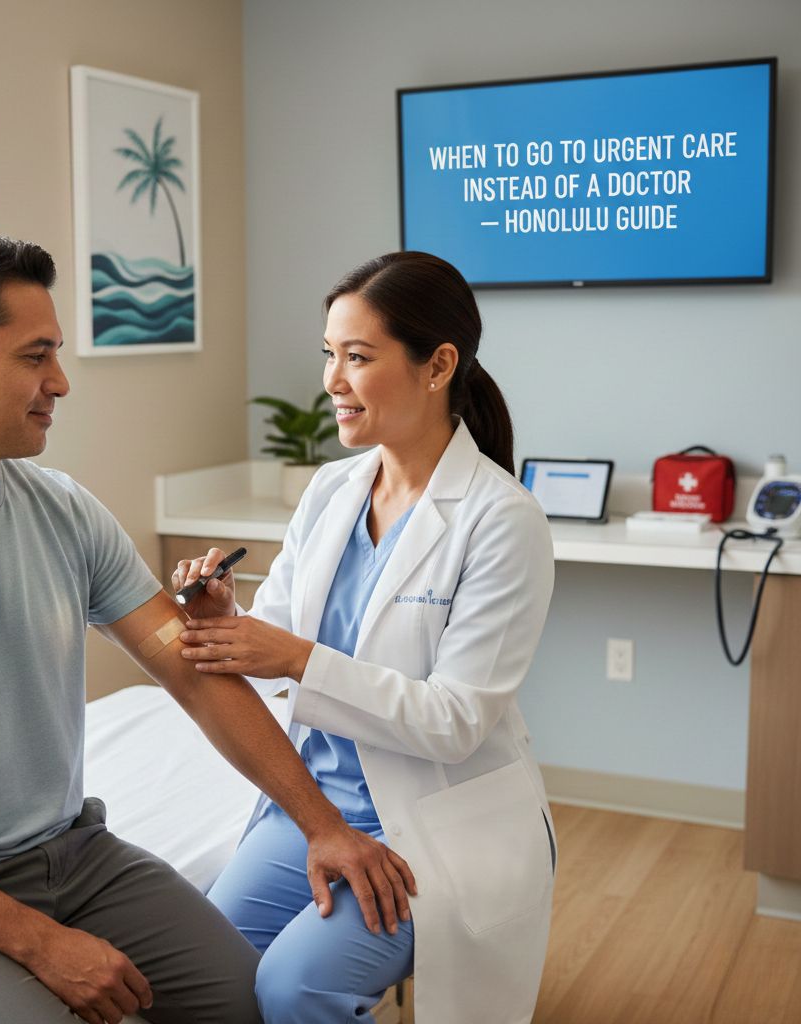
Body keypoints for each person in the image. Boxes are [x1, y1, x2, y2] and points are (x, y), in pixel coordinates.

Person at [0, 231, 417, 1024]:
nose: (61, 381)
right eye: (34, 356)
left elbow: (187, 667)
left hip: (70, 858)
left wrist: (324, 827)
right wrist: (40, 943)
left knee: (244, 1003)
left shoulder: (63, 512)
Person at [172, 251, 557, 1024]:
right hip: (313, 809)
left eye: (358, 357)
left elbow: (454, 723)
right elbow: (278, 639)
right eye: (329, 355)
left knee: (294, 988)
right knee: (202, 972)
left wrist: (295, 657)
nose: (333, 382)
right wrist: (226, 620)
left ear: (438, 364)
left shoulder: (501, 518)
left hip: (430, 825)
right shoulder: (332, 490)